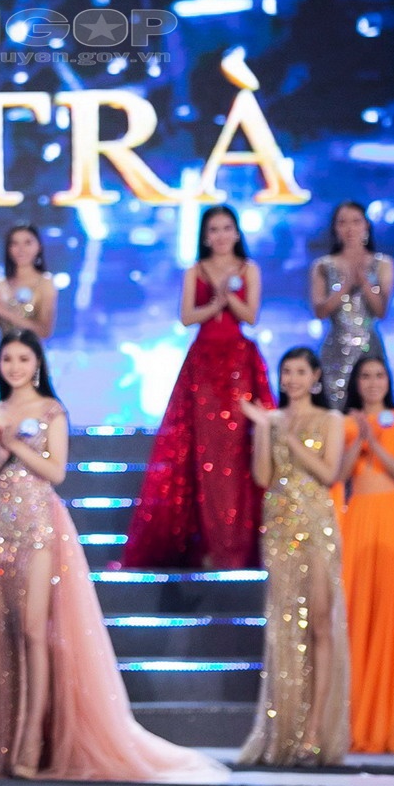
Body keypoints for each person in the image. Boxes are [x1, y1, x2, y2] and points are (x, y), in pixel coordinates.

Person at [0, 331, 224, 781]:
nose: (15, 367)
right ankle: (5, 744)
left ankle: (33, 744)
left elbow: (56, 471)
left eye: (23, 359)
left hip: (38, 523)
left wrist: (17, 447)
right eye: (8, 359)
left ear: (37, 364)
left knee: (34, 630)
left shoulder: (51, 411)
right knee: (2, 634)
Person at [122, 205, 273, 570]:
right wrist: (216, 302)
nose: (221, 235)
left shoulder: (248, 269)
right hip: (204, 362)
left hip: (237, 363)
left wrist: (228, 297)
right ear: (205, 236)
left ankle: (237, 545)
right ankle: (207, 545)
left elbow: (251, 316)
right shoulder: (196, 270)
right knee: (204, 450)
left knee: (236, 450)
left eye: (226, 228)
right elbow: (187, 317)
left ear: (237, 233)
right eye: (214, 229)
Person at [237, 348, 349, 767]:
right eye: (287, 371)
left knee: (319, 623)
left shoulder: (329, 419)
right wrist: (263, 431)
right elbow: (263, 477)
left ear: (316, 377)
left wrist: (285, 435)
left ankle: (315, 732)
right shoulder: (272, 419)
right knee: (285, 627)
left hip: (317, 525)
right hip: (281, 527)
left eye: (301, 371)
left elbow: (328, 472)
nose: (293, 379)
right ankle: (285, 732)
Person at [336, 356, 394, 753]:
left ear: (388, 380)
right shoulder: (345, 424)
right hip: (359, 520)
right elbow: (338, 476)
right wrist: (359, 438)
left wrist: (373, 440)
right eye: (365, 376)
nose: (372, 382)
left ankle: (392, 717)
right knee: (356, 612)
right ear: (356, 382)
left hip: (393, 520)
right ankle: (355, 717)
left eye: (379, 375)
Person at [311, 201, 394, 411]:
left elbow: (381, 311)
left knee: (371, 408)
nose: (350, 228)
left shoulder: (382, 263)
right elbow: (320, 311)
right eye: (343, 223)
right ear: (335, 228)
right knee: (335, 408)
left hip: (369, 349)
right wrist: (345, 286)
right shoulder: (323, 266)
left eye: (356, 222)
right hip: (335, 350)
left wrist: (365, 283)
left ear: (366, 226)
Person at [0, 224, 58, 341]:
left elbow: (44, 332)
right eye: (14, 243)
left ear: (39, 247)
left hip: (32, 351)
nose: (21, 249)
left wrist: (3, 311)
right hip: (5, 351)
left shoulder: (46, 282)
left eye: (27, 243)